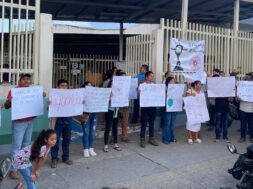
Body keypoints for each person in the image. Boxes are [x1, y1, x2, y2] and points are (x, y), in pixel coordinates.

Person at [4, 74, 36, 179]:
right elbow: (6, 106)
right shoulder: (14, 91)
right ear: (20, 80)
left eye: (28, 79)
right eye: (24, 79)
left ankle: (22, 164)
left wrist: (41, 96)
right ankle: (13, 169)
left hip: (30, 121)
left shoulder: (33, 91)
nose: (26, 81)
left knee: (26, 145)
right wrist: (9, 101)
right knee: (16, 147)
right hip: (19, 122)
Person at [50, 79, 73, 168]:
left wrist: (80, 103)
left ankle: (66, 157)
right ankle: (54, 158)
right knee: (55, 140)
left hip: (68, 120)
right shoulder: (53, 96)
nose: (64, 87)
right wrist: (50, 105)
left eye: (66, 86)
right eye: (62, 86)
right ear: (58, 86)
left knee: (67, 140)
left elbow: (75, 106)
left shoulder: (71, 96)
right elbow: (49, 110)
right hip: (57, 121)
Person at [76, 81, 97, 157]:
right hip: (85, 115)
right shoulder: (80, 94)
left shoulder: (95, 94)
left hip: (94, 114)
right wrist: (81, 102)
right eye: (88, 86)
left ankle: (91, 148)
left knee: (92, 132)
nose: (90, 87)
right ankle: (85, 148)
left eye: (91, 86)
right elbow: (76, 103)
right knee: (86, 132)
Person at [139, 71, 159, 148]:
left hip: (153, 106)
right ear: (146, 77)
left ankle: (151, 138)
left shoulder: (155, 86)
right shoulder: (142, 85)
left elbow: (158, 95)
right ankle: (142, 138)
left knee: (151, 123)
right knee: (144, 123)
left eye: (152, 76)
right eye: (151, 76)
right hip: (145, 107)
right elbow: (138, 95)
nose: (152, 78)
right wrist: (139, 92)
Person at [103, 80, 122, 152]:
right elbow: (104, 100)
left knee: (115, 128)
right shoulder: (107, 91)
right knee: (108, 127)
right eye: (112, 84)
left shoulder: (119, 91)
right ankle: (105, 145)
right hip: (109, 110)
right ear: (110, 85)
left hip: (117, 110)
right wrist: (110, 98)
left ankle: (115, 144)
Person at [214, 74, 230, 142]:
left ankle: (220, 137)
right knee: (222, 123)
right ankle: (223, 137)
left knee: (221, 123)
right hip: (221, 107)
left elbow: (230, 99)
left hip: (222, 107)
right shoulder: (216, 87)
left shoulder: (216, 87)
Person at [186, 80, 203, 144]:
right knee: (190, 123)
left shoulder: (201, 92)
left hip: (198, 110)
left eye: (201, 84)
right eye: (199, 84)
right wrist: (191, 95)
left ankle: (196, 138)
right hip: (191, 110)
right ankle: (190, 138)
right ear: (195, 85)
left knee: (197, 124)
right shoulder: (190, 90)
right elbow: (187, 99)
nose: (200, 86)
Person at [162, 77, 178, 144]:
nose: (174, 82)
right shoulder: (165, 89)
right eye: (172, 81)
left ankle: (171, 137)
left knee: (172, 124)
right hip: (167, 108)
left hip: (174, 108)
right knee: (167, 123)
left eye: (174, 81)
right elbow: (163, 98)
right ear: (168, 82)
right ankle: (166, 139)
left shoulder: (176, 89)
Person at [238, 73, 253, 143]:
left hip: (251, 109)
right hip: (243, 108)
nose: (248, 80)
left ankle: (251, 137)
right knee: (243, 124)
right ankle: (242, 137)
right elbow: (237, 99)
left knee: (251, 124)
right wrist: (238, 98)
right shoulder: (241, 86)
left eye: (250, 78)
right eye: (247, 78)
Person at [116, 71, 130, 143]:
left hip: (126, 106)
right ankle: (113, 138)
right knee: (115, 123)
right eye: (123, 77)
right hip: (117, 106)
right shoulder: (115, 85)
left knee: (125, 123)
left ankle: (124, 137)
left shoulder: (128, 85)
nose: (124, 78)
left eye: (125, 76)